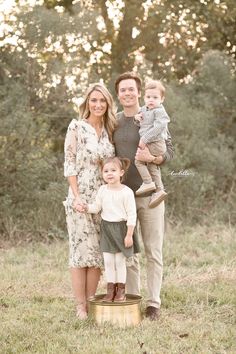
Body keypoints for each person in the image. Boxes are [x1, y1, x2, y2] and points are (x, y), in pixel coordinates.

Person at [113, 72, 174, 320]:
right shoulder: (114, 121)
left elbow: (169, 150)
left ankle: (153, 304)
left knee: (153, 250)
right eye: (122, 90)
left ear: (139, 92)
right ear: (118, 94)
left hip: (150, 196)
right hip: (123, 197)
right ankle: (133, 299)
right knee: (129, 251)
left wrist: (154, 158)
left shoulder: (153, 113)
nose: (127, 93)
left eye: (131, 89)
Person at [63, 83, 116, 320]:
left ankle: (92, 302)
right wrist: (75, 197)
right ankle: (80, 307)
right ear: (87, 102)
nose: (97, 105)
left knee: (96, 254)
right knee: (79, 252)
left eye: (102, 101)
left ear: (107, 104)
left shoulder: (108, 130)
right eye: (94, 100)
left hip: (103, 198)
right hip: (80, 197)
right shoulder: (76, 127)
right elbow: (69, 163)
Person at [77, 156, 140, 302]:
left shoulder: (127, 192)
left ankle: (121, 291)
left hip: (122, 230)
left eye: (113, 170)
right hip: (107, 229)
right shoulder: (102, 190)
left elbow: (132, 215)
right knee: (109, 262)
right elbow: (97, 207)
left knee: (119, 262)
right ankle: (110, 290)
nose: (109, 173)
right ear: (102, 174)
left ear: (121, 172)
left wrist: (129, 234)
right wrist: (86, 207)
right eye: (106, 171)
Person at [134, 80, 170, 208]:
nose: (151, 100)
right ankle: (159, 190)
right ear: (144, 97)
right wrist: (136, 119)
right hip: (152, 142)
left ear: (162, 99)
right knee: (152, 166)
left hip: (156, 142)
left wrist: (144, 139)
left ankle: (148, 182)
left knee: (138, 160)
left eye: (155, 97)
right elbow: (143, 124)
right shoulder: (144, 109)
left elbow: (159, 127)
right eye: (148, 97)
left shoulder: (159, 111)